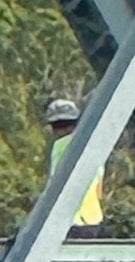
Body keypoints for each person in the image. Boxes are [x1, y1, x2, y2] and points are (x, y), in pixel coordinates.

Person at [44, 97, 106, 239]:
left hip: (69, 222)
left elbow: (53, 184)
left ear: (54, 126)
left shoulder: (60, 145)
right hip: (93, 220)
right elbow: (99, 191)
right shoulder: (93, 145)